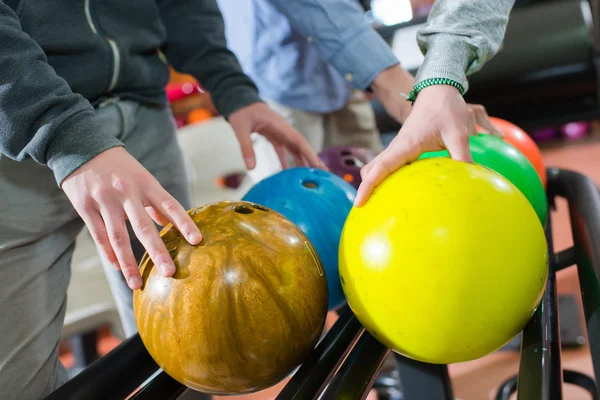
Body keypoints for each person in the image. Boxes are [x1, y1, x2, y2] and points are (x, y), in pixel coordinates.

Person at [0, 1, 325, 398]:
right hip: (14, 141)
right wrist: (63, 133)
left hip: (143, 121)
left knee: (193, 344)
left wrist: (231, 85)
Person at [217, 0, 514, 204]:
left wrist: (431, 92)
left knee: (376, 196)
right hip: (274, 89)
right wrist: (425, 92)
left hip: (344, 81)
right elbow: (323, 10)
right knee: (299, 223)